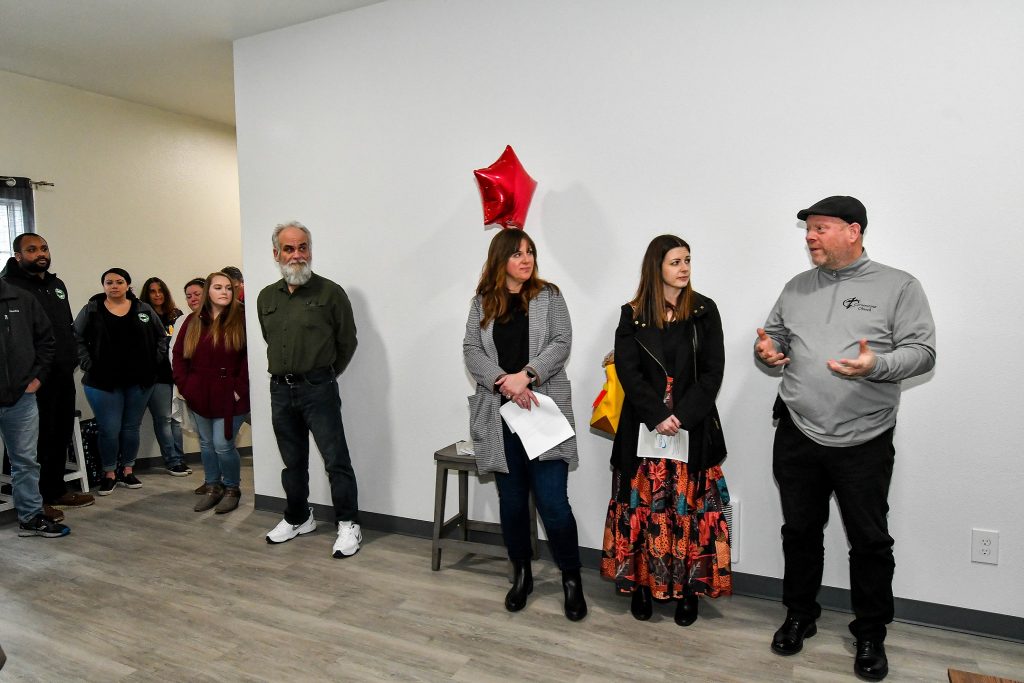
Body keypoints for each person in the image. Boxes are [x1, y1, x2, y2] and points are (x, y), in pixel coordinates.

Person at [756, 196, 936, 681]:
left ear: (853, 231)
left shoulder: (899, 286)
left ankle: (871, 632)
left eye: (820, 228)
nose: (810, 236)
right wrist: (768, 351)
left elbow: (923, 352)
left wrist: (875, 365)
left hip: (865, 437)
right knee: (799, 531)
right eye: (808, 230)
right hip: (798, 432)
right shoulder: (796, 287)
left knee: (870, 541)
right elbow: (774, 337)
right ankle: (799, 615)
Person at [600, 234, 731, 627]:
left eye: (688, 260)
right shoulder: (633, 313)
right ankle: (641, 585)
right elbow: (628, 370)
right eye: (676, 261)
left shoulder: (705, 311)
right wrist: (657, 414)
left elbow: (712, 373)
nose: (685, 268)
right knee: (644, 511)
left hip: (691, 430)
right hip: (644, 430)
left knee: (687, 512)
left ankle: (688, 590)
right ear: (656, 267)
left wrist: (683, 416)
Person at [463, 228, 587, 622]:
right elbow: (471, 349)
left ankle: (571, 579)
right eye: (517, 253)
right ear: (500, 260)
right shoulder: (482, 302)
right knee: (513, 504)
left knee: (553, 504)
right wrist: (504, 381)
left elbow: (562, 341)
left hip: (543, 413)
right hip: (501, 418)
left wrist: (527, 375)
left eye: (530, 251)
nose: (526, 258)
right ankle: (521, 574)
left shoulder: (549, 296)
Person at [257, 221, 361, 557]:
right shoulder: (265, 297)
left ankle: (348, 525)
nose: (297, 255)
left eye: (303, 247)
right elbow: (269, 338)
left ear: (310, 251)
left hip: (319, 389)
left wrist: (323, 373)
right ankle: (299, 517)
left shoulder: (330, 293)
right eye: (289, 249)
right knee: (292, 462)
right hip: (279, 390)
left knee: (336, 460)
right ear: (276, 254)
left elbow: (347, 342)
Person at [2, 234, 94, 520]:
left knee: (58, 434)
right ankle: (34, 500)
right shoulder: (10, 287)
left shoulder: (57, 285)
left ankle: (56, 490)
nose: (40, 253)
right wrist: (33, 376)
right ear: (18, 255)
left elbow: (65, 327)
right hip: (29, 381)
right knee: (33, 444)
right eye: (31, 250)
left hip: (61, 374)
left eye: (43, 248)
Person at [74, 268, 169, 495]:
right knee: (109, 428)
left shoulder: (143, 309)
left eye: (119, 282)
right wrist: (88, 363)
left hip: (139, 381)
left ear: (127, 285)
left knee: (130, 428)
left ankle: (127, 470)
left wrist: (154, 362)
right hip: (102, 382)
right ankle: (109, 473)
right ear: (103, 286)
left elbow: (161, 337)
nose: (114, 286)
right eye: (109, 282)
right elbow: (75, 337)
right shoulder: (92, 310)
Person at [173, 272, 250, 513]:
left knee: (223, 444)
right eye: (218, 287)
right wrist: (186, 387)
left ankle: (231, 489)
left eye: (228, 287)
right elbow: (178, 356)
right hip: (199, 394)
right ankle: (213, 487)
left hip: (230, 396)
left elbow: (250, 358)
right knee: (206, 444)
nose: (225, 291)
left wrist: (238, 391)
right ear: (209, 291)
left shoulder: (242, 318)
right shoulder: (193, 320)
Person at [0, 277, 68, 537]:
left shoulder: (22, 299)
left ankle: (30, 518)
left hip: (21, 398)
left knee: (26, 462)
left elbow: (47, 341)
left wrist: (37, 377)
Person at [139, 277, 190, 476]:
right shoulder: (141, 314)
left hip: (174, 375)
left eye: (161, 290)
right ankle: (172, 460)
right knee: (164, 419)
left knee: (176, 419)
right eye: (152, 291)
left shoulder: (176, 315)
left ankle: (179, 459)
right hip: (155, 376)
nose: (157, 294)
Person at [171, 277, 208, 494]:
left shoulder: (223, 319)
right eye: (188, 295)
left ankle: (228, 482)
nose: (193, 299)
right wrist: (184, 385)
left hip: (220, 391)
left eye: (197, 294)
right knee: (205, 439)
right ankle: (212, 480)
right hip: (191, 390)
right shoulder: (182, 321)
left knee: (221, 441)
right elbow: (174, 354)